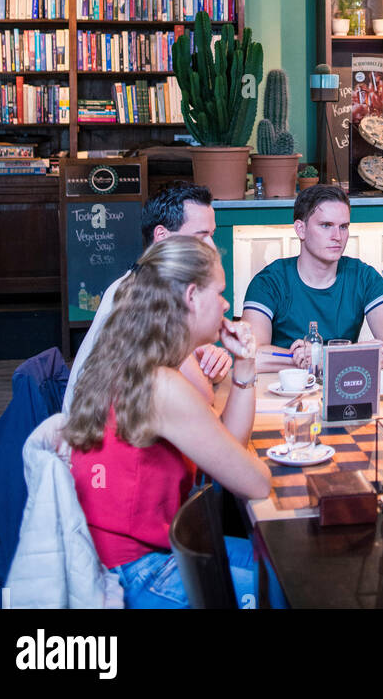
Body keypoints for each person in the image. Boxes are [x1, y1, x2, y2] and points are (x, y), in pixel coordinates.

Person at [67, 235, 272, 608]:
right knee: (285, 588)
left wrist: (244, 364)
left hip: (122, 555)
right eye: (221, 292)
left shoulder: (136, 361)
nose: (228, 305)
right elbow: (256, 482)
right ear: (192, 297)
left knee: (275, 565)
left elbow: (228, 447)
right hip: (136, 570)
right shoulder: (161, 386)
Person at [63, 183, 231, 413]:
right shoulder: (143, 296)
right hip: (97, 434)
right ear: (161, 236)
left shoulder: (146, 282)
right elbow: (202, 395)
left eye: (212, 235)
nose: (211, 246)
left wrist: (209, 362)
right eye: (200, 236)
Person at [242, 184, 383, 363]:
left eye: (344, 227)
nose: (337, 236)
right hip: (284, 387)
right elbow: (250, 354)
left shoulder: (364, 277)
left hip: (342, 385)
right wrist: (300, 357)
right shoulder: (268, 282)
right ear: (301, 229)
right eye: (326, 225)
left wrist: (324, 355)